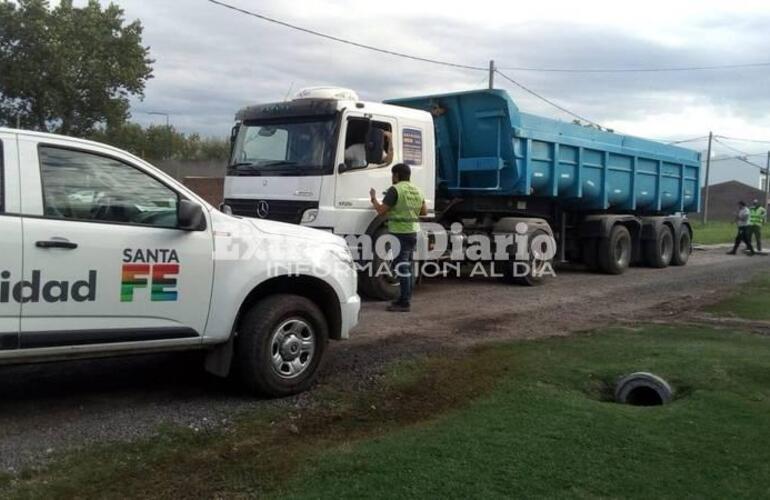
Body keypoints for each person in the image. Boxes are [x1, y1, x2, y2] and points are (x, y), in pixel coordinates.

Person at [369, 163, 427, 312]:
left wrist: (373, 199)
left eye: (392, 175)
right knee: (405, 266)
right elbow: (424, 212)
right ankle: (404, 298)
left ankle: (404, 302)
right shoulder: (418, 190)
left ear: (396, 175)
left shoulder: (395, 190)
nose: (392, 177)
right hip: (412, 232)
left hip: (399, 233)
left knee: (401, 267)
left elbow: (381, 210)